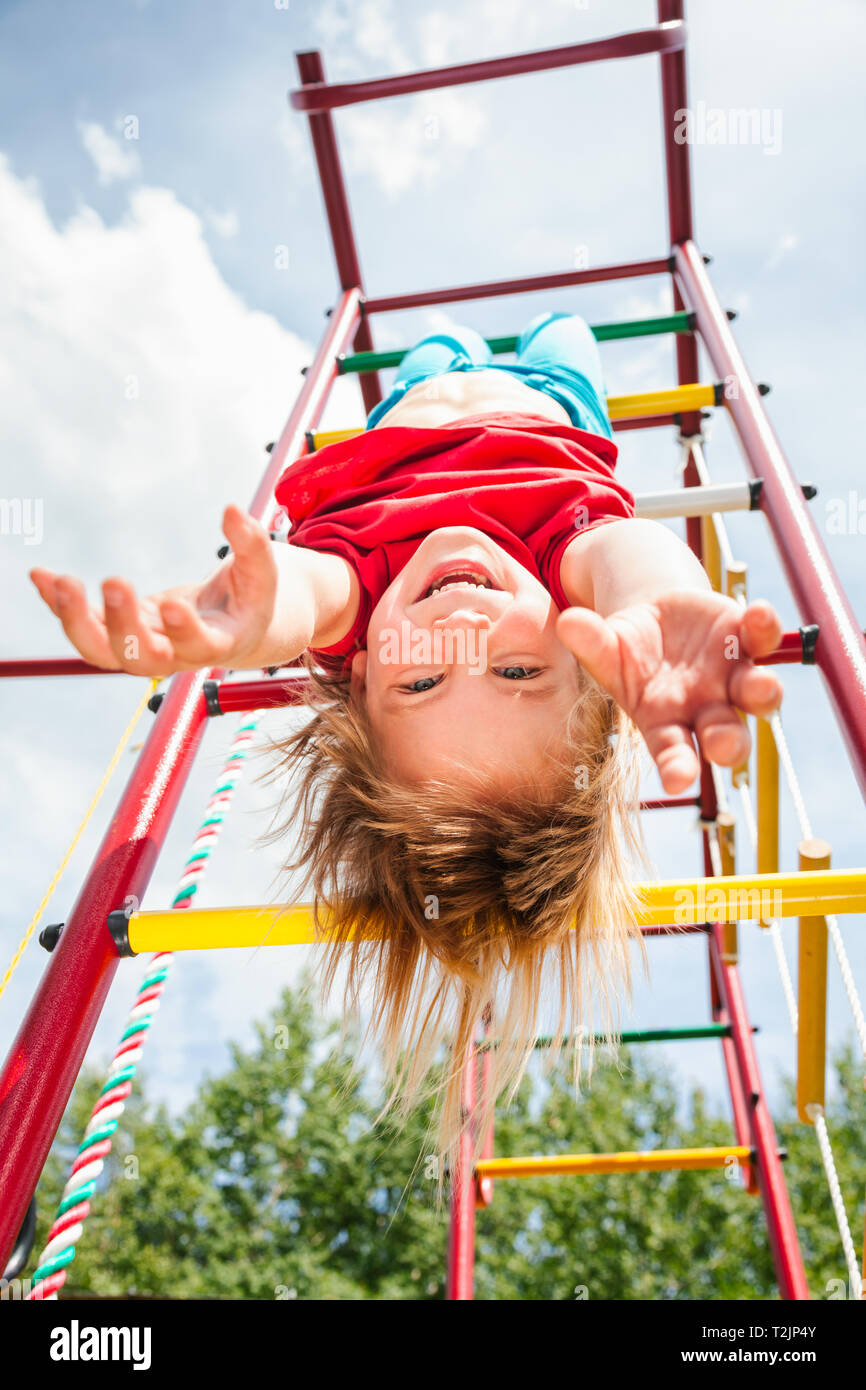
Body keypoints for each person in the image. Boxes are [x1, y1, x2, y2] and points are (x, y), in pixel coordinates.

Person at [29, 313, 783, 1166]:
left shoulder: (357, 590)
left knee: (436, 344)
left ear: (358, 677)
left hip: (409, 410)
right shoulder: (566, 558)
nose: (464, 630)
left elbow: (297, 599)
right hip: (552, 401)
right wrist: (661, 598)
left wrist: (245, 629)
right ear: (579, 647)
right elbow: (631, 555)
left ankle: (448, 353)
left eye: (419, 683)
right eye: (520, 673)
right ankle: (533, 343)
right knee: (565, 333)